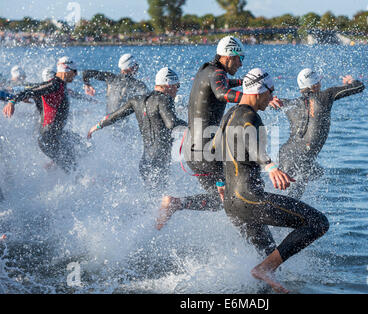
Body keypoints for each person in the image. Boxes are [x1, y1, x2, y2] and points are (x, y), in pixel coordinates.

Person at [216, 68, 329, 293]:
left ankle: (260, 283)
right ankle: (264, 270)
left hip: (231, 203)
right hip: (249, 199)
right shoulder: (249, 116)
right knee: (318, 223)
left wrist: (221, 185)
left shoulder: (231, 114)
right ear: (260, 90)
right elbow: (251, 142)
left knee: (269, 255)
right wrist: (270, 165)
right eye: (271, 92)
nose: (272, 97)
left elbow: (215, 149)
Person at [156, 36, 283, 229]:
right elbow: (221, 93)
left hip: (194, 152)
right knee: (239, 195)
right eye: (240, 58)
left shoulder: (206, 71)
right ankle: (258, 235)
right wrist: (251, 97)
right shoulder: (217, 73)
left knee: (220, 201)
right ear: (228, 56)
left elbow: (222, 84)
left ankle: (176, 203)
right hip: (208, 151)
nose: (241, 63)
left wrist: (243, 81)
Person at [87, 67, 187, 191]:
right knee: (161, 196)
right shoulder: (164, 99)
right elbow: (171, 123)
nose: (177, 90)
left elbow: (114, 116)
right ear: (168, 85)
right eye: (177, 86)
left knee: (151, 196)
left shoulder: (137, 100)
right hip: (159, 162)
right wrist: (194, 128)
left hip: (145, 163)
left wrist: (96, 127)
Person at [279, 68, 365, 197]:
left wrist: (270, 99)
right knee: (301, 185)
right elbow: (359, 86)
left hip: (286, 155)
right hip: (304, 157)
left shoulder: (289, 103)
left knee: (314, 173)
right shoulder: (325, 96)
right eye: (319, 81)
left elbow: (262, 102)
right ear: (315, 85)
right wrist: (350, 81)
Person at [3, 56, 88, 173]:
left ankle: (54, 171)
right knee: (73, 168)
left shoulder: (60, 84)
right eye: (75, 71)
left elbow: (32, 88)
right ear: (67, 70)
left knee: (84, 148)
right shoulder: (54, 85)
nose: (76, 74)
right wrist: (13, 101)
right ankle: (78, 184)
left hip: (56, 136)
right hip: (48, 139)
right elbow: (31, 91)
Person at [82, 53, 149, 137]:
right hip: (121, 128)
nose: (138, 67)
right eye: (136, 65)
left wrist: (87, 85)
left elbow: (86, 73)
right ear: (130, 67)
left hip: (106, 124)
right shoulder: (136, 84)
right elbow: (149, 99)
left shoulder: (110, 78)